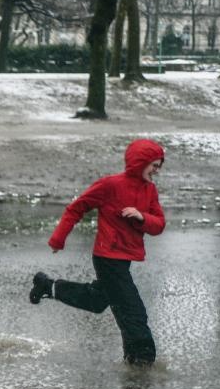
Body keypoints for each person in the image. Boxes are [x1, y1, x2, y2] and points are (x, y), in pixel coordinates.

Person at [29, 138, 166, 366]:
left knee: (98, 300)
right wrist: (58, 239)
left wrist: (142, 217)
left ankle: (48, 287)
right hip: (107, 258)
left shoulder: (149, 190)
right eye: (154, 165)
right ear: (140, 162)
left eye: (160, 166)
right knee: (134, 312)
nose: (157, 171)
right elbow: (77, 208)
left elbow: (159, 224)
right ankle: (142, 358)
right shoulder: (110, 185)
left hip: (125, 259)